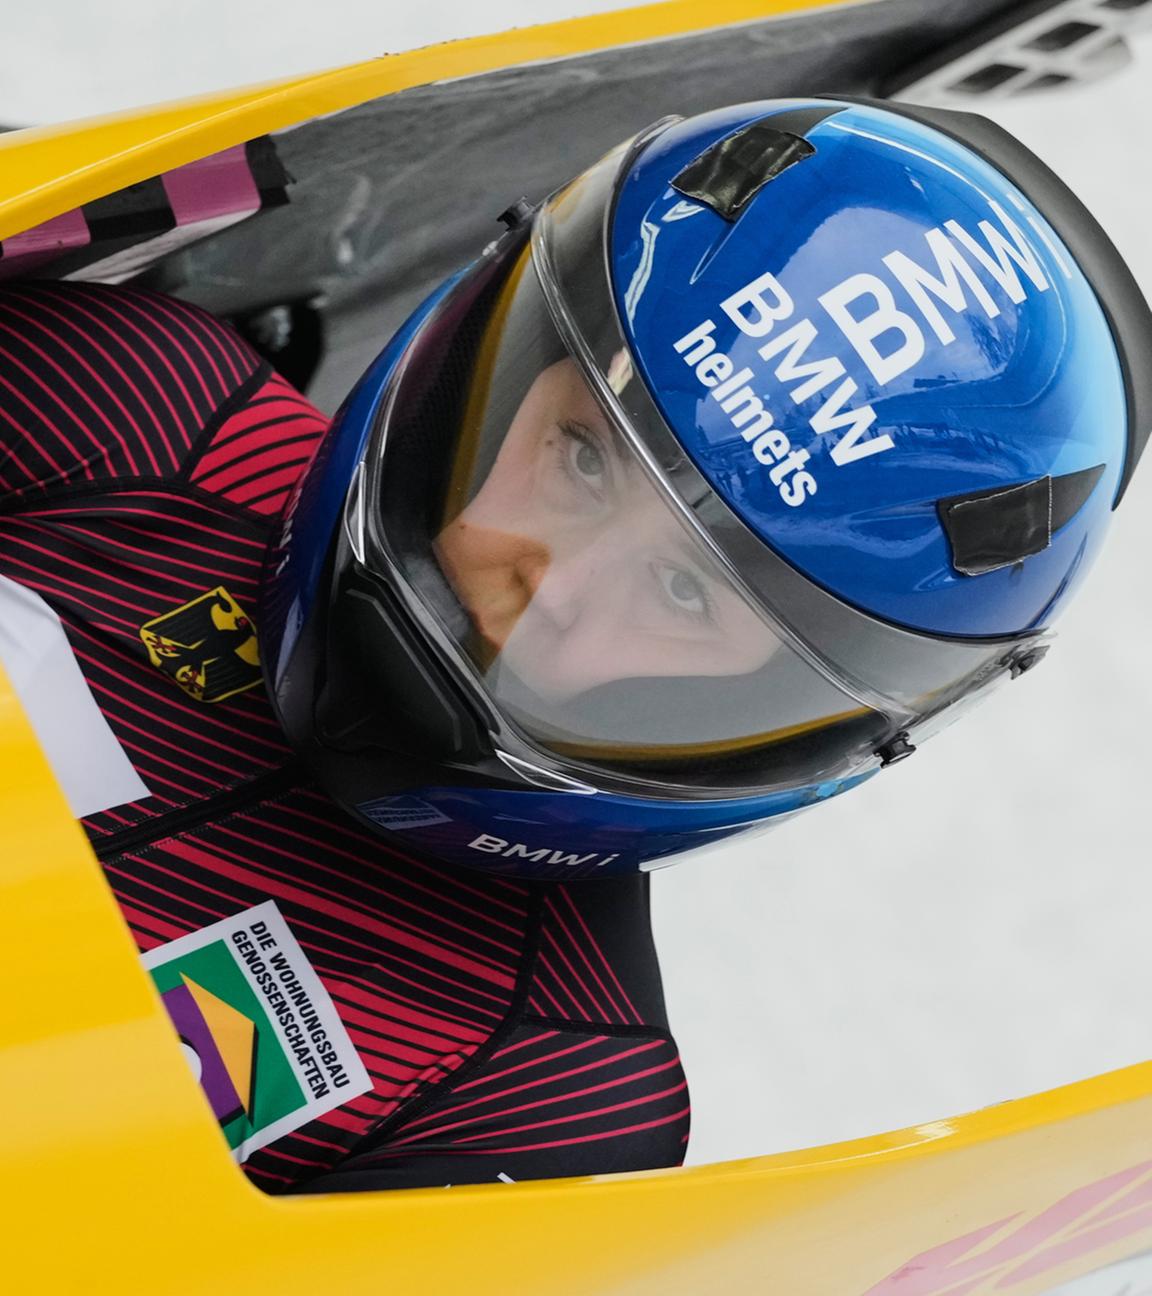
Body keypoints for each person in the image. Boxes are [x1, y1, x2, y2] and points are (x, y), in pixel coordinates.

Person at [0, 95, 1147, 1192]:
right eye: (583, 458)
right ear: (496, 369)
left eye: (687, 592)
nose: (547, 591)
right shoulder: (133, 406)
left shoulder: (546, 1085)